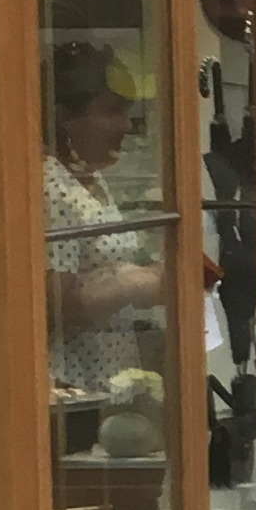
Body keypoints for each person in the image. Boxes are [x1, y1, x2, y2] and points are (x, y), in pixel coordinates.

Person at [42, 47, 166, 398]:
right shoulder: (49, 183)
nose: (126, 124)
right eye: (112, 111)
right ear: (64, 117)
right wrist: (131, 284)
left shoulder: (90, 177)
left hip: (109, 375)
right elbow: (53, 303)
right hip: (73, 383)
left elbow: (98, 261)